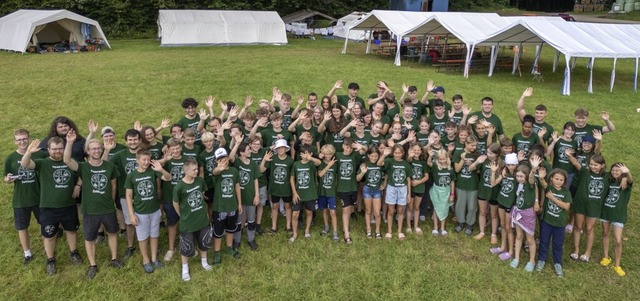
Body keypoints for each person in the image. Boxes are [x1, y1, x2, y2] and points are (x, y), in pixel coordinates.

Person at [63, 131, 122, 279]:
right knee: (89, 238)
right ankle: (93, 264)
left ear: (101, 150)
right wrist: (69, 142)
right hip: (90, 209)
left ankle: (114, 258)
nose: (96, 151)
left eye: (98, 148)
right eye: (93, 149)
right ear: (87, 151)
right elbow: (67, 160)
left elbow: (113, 185)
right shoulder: (83, 167)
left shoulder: (109, 166)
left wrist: (111, 201)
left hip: (107, 208)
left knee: (113, 233)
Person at [21, 137, 83, 276]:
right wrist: (29, 152)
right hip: (48, 207)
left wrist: (78, 186)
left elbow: (83, 172)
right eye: (54, 149)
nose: (57, 151)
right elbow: (25, 164)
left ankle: (73, 252)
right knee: (49, 236)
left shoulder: (69, 162)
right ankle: (50, 259)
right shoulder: (43, 163)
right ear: (48, 150)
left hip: (69, 205)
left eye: (60, 148)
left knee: (71, 231)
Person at [125, 149, 171, 273]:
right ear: (137, 160)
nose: (146, 162)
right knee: (143, 237)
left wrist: (160, 169)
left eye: (148, 160)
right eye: (143, 160)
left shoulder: (153, 172)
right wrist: (131, 214)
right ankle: (146, 260)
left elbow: (168, 178)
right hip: (140, 212)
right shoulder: (132, 175)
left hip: (155, 210)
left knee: (154, 235)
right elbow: (128, 196)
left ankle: (155, 258)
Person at [4, 129, 45, 265]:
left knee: (43, 224)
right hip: (21, 199)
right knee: (22, 227)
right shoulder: (10, 158)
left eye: (24, 138)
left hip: (39, 197)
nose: (22, 141)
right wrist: (8, 179)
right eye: (19, 139)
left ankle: (47, 248)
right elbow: (6, 176)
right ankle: (27, 253)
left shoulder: (40, 154)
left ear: (29, 138)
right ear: (15, 141)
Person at [173, 159, 213, 281]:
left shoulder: (200, 181)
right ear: (186, 171)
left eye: (197, 169)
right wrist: (183, 215)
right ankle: (185, 269)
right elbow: (175, 203)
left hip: (201, 218)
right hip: (187, 221)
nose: (197, 171)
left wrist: (205, 212)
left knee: (204, 241)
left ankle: (204, 262)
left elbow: (201, 195)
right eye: (194, 170)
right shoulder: (179, 187)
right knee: (186, 246)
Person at [106, 129, 142, 259]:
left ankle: (145, 244)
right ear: (126, 141)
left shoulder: (145, 154)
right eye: (130, 140)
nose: (133, 142)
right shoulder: (120, 154)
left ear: (139, 140)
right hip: (125, 194)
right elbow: (104, 164)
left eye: (135, 139)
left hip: (143, 193)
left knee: (143, 219)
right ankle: (130, 246)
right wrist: (107, 150)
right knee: (129, 221)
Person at [566, 153, 609, 263]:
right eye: (591, 164)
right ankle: (576, 250)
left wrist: (625, 174)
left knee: (589, 229)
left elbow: (622, 177)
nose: (593, 167)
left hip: (594, 206)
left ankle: (587, 252)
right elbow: (575, 163)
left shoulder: (607, 176)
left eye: (596, 165)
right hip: (580, 204)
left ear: (602, 165)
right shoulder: (585, 172)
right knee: (577, 227)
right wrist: (568, 155)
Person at [536, 168, 572, 277]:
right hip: (547, 221)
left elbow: (566, 206)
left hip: (559, 224)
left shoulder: (566, 192)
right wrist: (541, 177)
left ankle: (557, 263)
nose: (558, 181)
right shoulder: (549, 188)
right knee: (544, 241)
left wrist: (553, 198)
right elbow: (543, 183)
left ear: (564, 181)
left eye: (561, 180)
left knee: (557, 244)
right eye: (556, 179)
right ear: (551, 179)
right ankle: (542, 259)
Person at [210, 148, 243, 265]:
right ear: (216, 161)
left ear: (228, 158)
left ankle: (229, 247)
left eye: (225, 158)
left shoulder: (234, 171)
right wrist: (219, 168)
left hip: (232, 206)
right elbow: (214, 173)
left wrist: (239, 203)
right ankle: (217, 252)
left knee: (230, 229)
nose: (223, 161)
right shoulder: (217, 172)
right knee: (218, 232)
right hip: (220, 208)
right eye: (220, 159)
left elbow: (237, 187)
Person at [600, 163, 633, 277]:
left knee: (618, 240)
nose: (614, 172)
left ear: (622, 172)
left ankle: (617, 265)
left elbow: (630, 179)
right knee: (605, 233)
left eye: (617, 171)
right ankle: (606, 257)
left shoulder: (625, 183)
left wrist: (626, 173)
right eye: (613, 170)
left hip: (618, 215)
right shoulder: (609, 181)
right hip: (606, 212)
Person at [229, 139, 260, 250]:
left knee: (251, 220)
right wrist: (237, 144)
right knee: (239, 220)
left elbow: (255, 179)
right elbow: (230, 158)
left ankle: (251, 239)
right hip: (239, 198)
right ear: (241, 152)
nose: (250, 151)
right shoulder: (237, 162)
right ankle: (237, 240)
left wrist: (256, 195)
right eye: (248, 149)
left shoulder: (252, 163)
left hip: (251, 196)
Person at [159, 138, 186, 262]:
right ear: (168, 149)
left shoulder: (187, 160)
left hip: (185, 197)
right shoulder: (166, 161)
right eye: (172, 149)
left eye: (177, 148)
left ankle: (186, 244)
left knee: (186, 222)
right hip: (170, 197)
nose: (175, 151)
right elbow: (152, 164)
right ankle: (171, 248)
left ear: (181, 147)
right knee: (172, 222)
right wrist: (165, 159)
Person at [509, 162, 539, 272]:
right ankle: (516, 258)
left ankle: (532, 261)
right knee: (519, 236)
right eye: (517, 176)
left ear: (526, 175)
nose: (519, 178)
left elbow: (531, 178)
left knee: (530, 239)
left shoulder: (530, 185)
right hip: (518, 212)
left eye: (521, 176)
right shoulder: (518, 184)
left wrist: (534, 169)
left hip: (528, 213)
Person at [378, 144, 412, 240]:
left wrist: (409, 193)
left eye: (399, 153)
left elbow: (408, 179)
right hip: (391, 188)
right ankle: (389, 231)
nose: (397, 155)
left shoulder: (406, 164)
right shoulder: (389, 161)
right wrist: (384, 155)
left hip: (402, 188)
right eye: (396, 153)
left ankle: (399, 231)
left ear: (402, 153)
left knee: (400, 211)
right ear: (393, 153)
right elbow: (379, 164)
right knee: (391, 211)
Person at [453, 135, 484, 236]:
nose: (474, 148)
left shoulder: (477, 155)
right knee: (460, 205)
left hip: (473, 184)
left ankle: (470, 223)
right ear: (466, 143)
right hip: (461, 183)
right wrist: (462, 159)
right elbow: (457, 169)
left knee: (472, 207)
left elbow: (476, 170)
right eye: (472, 145)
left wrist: (473, 163)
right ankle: (461, 222)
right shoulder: (458, 153)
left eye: (475, 145)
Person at [335, 137, 366, 243]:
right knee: (345, 209)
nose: (348, 150)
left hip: (353, 187)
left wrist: (361, 146)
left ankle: (345, 226)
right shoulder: (338, 155)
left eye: (350, 148)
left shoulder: (355, 155)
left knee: (350, 208)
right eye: (346, 147)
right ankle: (346, 234)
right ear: (343, 146)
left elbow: (366, 150)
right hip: (342, 188)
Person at [489, 153, 518, 261]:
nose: (511, 167)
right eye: (509, 164)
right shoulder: (504, 172)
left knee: (508, 227)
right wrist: (493, 172)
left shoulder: (517, 175)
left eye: (513, 165)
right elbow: (493, 183)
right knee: (503, 224)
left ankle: (510, 251)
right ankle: (502, 247)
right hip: (501, 200)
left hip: (510, 203)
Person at [289, 144, 321, 242]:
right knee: (295, 214)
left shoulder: (312, 164)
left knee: (309, 212)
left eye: (307, 153)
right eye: (302, 153)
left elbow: (319, 162)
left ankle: (307, 230)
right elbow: (292, 178)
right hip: (298, 193)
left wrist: (311, 158)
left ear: (311, 154)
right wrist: (294, 193)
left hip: (310, 193)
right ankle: (294, 233)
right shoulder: (296, 164)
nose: (304, 155)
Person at [262, 139, 294, 234]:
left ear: (286, 148)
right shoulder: (272, 158)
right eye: (278, 148)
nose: (280, 149)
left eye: (282, 147)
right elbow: (261, 170)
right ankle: (274, 227)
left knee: (288, 206)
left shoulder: (290, 161)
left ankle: (288, 226)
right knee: (274, 207)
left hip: (286, 188)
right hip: (274, 188)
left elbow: (292, 176)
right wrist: (264, 160)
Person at [475, 143, 501, 244]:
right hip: (483, 190)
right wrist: (477, 162)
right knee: (482, 212)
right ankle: (482, 232)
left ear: (497, 154)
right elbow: (472, 169)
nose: (488, 154)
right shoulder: (484, 160)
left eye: (491, 153)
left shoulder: (501, 163)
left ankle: (493, 234)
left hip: (494, 192)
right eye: (488, 152)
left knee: (494, 214)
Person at [357, 147, 385, 239]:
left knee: (377, 212)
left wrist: (384, 184)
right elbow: (358, 178)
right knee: (368, 210)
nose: (374, 158)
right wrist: (362, 173)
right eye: (372, 156)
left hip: (377, 190)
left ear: (379, 156)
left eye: (376, 156)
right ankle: (368, 229)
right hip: (367, 189)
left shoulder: (381, 164)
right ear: (368, 155)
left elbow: (387, 173)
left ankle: (377, 230)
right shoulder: (365, 164)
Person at [427, 148, 456, 236]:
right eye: (440, 159)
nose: (442, 161)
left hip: (446, 191)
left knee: (444, 208)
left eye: (443, 159)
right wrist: (430, 156)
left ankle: (442, 228)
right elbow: (429, 163)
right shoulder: (436, 167)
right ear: (437, 159)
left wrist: (452, 194)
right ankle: (435, 227)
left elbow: (452, 182)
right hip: (437, 190)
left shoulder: (450, 169)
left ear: (447, 158)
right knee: (436, 208)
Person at [318, 144, 340, 241]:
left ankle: (335, 232)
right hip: (322, 190)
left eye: (330, 154)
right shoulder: (321, 163)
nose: (328, 156)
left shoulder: (335, 163)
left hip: (331, 191)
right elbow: (320, 174)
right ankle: (326, 226)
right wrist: (328, 165)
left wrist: (331, 164)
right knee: (324, 210)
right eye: (326, 154)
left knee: (333, 212)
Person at [407, 143, 430, 234]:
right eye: (414, 150)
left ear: (421, 151)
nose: (416, 152)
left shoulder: (423, 163)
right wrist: (410, 156)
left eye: (418, 150)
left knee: (416, 208)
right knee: (409, 207)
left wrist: (418, 182)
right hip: (411, 188)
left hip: (420, 188)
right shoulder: (409, 161)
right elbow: (407, 163)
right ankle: (409, 226)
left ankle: (416, 226)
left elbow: (426, 176)